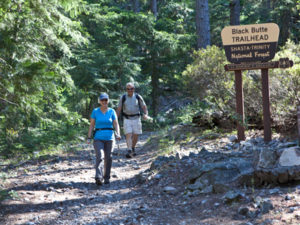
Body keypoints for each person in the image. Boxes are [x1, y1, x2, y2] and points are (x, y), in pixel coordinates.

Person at [87, 93, 121, 185]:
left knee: (109, 157)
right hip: (98, 137)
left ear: (108, 101)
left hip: (110, 137)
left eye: (106, 100)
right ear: (99, 101)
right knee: (100, 155)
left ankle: (107, 177)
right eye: (102, 100)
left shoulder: (112, 111)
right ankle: (98, 177)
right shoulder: (95, 111)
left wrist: (118, 134)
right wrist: (89, 137)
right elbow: (91, 125)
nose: (104, 102)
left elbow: (116, 124)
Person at [116, 82, 149, 158]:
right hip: (127, 118)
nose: (130, 90)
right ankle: (129, 150)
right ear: (126, 89)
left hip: (136, 118)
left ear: (134, 89)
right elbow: (119, 109)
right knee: (128, 134)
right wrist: (115, 119)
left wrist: (146, 114)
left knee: (136, 135)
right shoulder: (123, 97)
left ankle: (133, 147)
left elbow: (144, 106)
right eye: (128, 89)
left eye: (131, 88)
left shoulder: (138, 97)